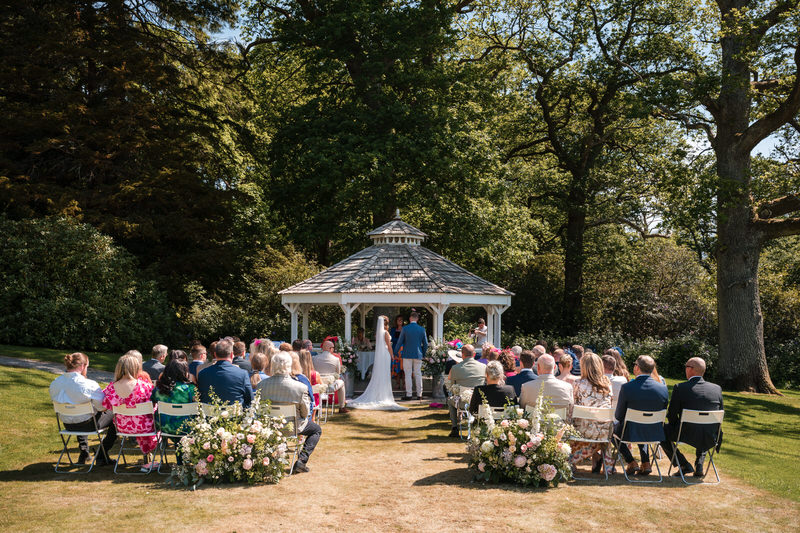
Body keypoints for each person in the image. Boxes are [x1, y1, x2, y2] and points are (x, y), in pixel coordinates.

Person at [256, 352, 322, 473]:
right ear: (289, 366)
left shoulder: (261, 385)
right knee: (316, 430)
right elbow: (305, 412)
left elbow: (258, 407)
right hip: (292, 426)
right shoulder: (300, 387)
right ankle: (302, 460)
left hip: (268, 426)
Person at [660, 357, 724, 477]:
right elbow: (720, 414)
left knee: (659, 430)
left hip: (686, 432)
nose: (685, 369)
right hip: (711, 434)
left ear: (691, 369)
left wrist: (675, 426)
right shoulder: (716, 389)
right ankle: (699, 464)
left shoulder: (680, 388)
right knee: (704, 428)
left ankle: (683, 464)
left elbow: (672, 414)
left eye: (686, 366)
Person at [49, 352, 117, 465]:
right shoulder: (88, 384)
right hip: (88, 424)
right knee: (116, 417)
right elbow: (102, 408)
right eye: (87, 367)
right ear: (82, 366)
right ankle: (101, 455)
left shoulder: (55, 383)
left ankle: (84, 451)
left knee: (81, 414)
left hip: (68, 424)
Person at [613, 355, 668, 476]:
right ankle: (646, 462)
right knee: (641, 425)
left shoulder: (627, 387)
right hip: (654, 431)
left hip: (631, 430)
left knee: (611, 431)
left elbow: (619, 415)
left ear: (637, 368)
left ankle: (631, 461)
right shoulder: (663, 388)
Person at [102, 354, 158, 465]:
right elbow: (154, 404)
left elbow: (105, 406)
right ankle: (149, 454)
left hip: (122, 428)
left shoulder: (111, 387)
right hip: (145, 428)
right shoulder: (145, 386)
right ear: (136, 368)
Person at [349, 316, 408, 411]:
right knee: (384, 373)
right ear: (386, 324)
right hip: (385, 354)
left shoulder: (378, 333)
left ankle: (381, 393)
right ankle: (383, 394)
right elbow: (389, 345)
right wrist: (392, 355)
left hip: (381, 354)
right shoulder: (385, 333)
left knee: (381, 373)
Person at [568, 353, 614, 475]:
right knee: (594, 427)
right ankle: (598, 457)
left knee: (566, 426)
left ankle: (569, 462)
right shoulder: (607, 383)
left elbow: (573, 407)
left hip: (584, 431)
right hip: (604, 431)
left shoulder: (578, 383)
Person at [151, 358, 197, 465]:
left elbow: (152, 402)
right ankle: (186, 459)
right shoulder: (189, 389)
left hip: (164, 426)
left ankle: (181, 459)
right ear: (183, 372)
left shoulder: (158, 388)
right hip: (186, 427)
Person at [197, 339, 253, 407]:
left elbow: (200, 397)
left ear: (215, 354)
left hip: (210, 415)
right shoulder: (242, 374)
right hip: (235, 416)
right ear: (232, 355)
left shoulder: (202, 373)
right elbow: (250, 399)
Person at [446, 344, 486, 436]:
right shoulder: (483, 367)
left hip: (462, 403)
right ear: (474, 354)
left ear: (462, 354)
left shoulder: (455, 368)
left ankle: (455, 427)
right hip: (479, 403)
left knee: (450, 400)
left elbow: (453, 387)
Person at [394, 311, 428, 400]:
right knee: (418, 374)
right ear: (417, 319)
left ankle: (409, 394)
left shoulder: (405, 328)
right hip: (418, 354)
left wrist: (395, 352)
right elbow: (426, 344)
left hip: (407, 354)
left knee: (408, 374)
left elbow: (399, 342)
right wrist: (423, 354)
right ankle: (419, 394)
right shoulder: (422, 329)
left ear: (410, 319)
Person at [313, 340, 348, 413]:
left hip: (317, 385)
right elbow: (338, 374)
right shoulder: (336, 359)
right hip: (330, 386)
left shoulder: (314, 358)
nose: (333, 349)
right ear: (330, 348)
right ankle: (342, 406)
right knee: (341, 382)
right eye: (333, 347)